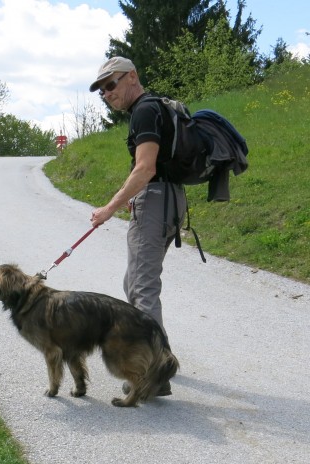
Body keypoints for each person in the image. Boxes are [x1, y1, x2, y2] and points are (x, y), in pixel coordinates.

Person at [88, 57, 186, 396]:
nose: (107, 93)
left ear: (132, 76)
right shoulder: (153, 108)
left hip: (157, 199)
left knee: (143, 289)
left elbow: (145, 168)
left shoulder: (145, 110)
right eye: (102, 90)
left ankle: (153, 376)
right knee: (134, 282)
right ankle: (163, 359)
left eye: (111, 85)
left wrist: (108, 209)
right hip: (168, 198)